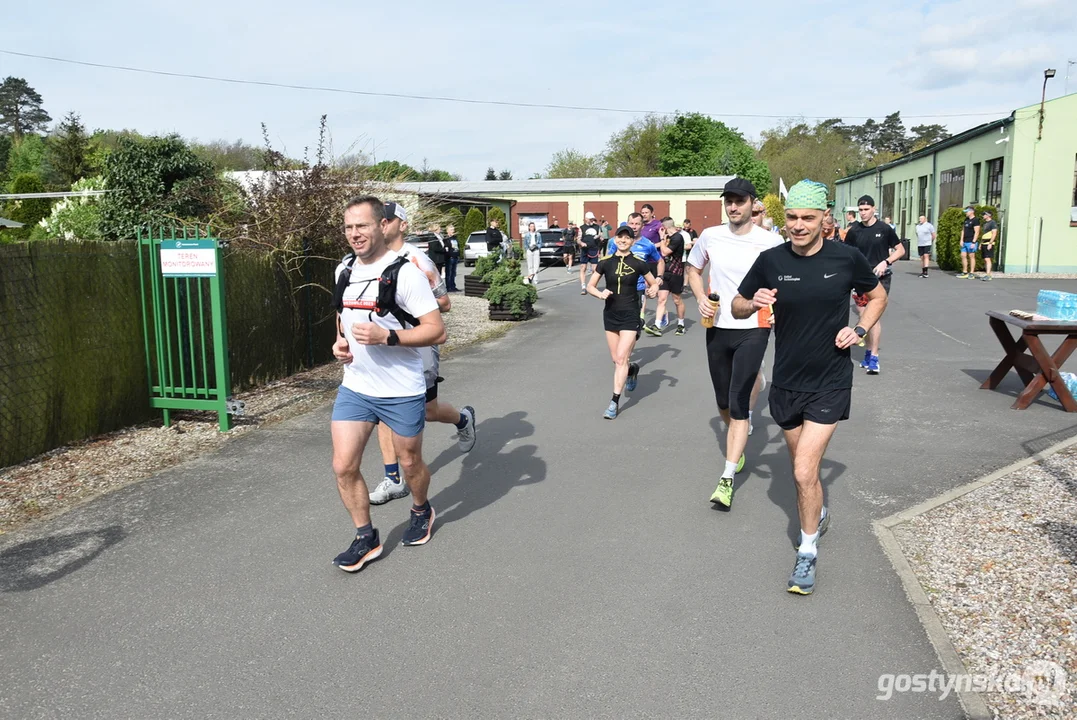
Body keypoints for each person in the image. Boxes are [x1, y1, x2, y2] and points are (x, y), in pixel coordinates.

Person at [732, 179, 887, 595]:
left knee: (803, 471)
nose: (798, 226)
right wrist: (754, 301)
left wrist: (859, 329)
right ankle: (815, 515)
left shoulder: (846, 257)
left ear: (824, 220)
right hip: (786, 382)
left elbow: (877, 296)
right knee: (805, 471)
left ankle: (807, 551)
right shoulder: (770, 259)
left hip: (830, 381)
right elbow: (737, 305)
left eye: (807, 218)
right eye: (792, 218)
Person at [330, 195, 447, 572]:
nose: (354, 234)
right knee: (343, 466)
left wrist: (388, 338)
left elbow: (437, 331)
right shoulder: (343, 270)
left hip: (401, 388)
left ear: (382, 226)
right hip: (357, 386)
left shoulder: (406, 272)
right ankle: (366, 537)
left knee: (410, 462)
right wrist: (341, 344)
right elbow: (342, 316)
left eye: (361, 226)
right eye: (348, 227)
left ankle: (421, 509)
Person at [368, 202, 477, 508]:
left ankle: (462, 419)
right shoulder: (370, 260)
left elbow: (444, 303)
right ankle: (393, 479)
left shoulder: (418, 260)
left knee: (428, 410)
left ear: (402, 225)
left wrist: (410, 303)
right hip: (384, 345)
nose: (382, 225)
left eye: (388, 220)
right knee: (382, 410)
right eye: (380, 220)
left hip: (418, 343)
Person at [686, 178, 781, 509]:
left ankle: (726, 477)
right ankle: (738, 430)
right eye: (728, 200)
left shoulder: (770, 241)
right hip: (718, 325)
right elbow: (693, 269)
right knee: (723, 400)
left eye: (740, 200)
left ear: (753, 204)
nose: (733, 206)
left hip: (755, 325)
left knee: (739, 402)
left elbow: (784, 278)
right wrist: (699, 298)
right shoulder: (711, 236)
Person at [587, 225, 660, 419]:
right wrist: (600, 294)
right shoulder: (605, 262)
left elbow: (653, 284)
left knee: (620, 359)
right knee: (617, 360)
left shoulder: (638, 263)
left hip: (631, 314)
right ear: (615, 239)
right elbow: (590, 285)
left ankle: (614, 402)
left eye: (627, 238)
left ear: (632, 241)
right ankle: (632, 369)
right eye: (620, 237)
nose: (623, 240)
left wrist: (652, 290)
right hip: (610, 314)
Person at [845, 194, 904, 375]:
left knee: (874, 316)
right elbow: (846, 253)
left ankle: (874, 358)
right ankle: (869, 351)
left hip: (880, 277)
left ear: (874, 209)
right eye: (860, 210)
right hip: (860, 278)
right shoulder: (854, 230)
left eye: (866, 209)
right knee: (864, 318)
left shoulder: (884, 229)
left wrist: (886, 262)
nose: (863, 213)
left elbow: (901, 250)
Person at [608, 213, 664, 324]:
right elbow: (607, 262)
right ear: (627, 224)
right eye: (631, 223)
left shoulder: (648, 244)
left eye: (637, 224)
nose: (634, 227)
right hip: (617, 288)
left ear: (642, 226)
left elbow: (660, 261)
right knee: (617, 322)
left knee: (631, 323)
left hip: (637, 288)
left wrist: (659, 277)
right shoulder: (617, 242)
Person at [645, 217, 687, 336]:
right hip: (665, 273)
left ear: (666, 227)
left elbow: (664, 252)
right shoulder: (668, 237)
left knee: (677, 300)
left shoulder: (678, 237)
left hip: (676, 272)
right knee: (661, 299)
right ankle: (657, 325)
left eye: (662, 228)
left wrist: (662, 237)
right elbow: (658, 247)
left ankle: (681, 324)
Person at [579, 211, 603, 295]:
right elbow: (578, 239)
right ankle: (583, 286)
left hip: (594, 249)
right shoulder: (582, 228)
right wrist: (581, 243)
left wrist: (600, 238)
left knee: (595, 269)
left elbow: (601, 236)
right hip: (585, 249)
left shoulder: (597, 227)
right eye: (590, 219)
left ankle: (592, 284)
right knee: (583, 267)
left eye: (592, 219)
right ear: (586, 219)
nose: (591, 220)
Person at [957, 206, 980, 279]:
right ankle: (965, 272)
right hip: (965, 241)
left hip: (971, 241)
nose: (966, 213)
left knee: (971, 256)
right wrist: (961, 240)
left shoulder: (975, 220)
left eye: (967, 211)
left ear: (972, 211)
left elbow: (977, 232)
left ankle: (972, 273)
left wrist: (973, 242)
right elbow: (963, 230)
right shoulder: (966, 220)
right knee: (963, 256)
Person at [980, 210, 997, 281]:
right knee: (985, 259)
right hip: (984, 243)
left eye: (984, 214)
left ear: (988, 215)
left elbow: (994, 233)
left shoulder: (992, 223)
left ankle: (988, 275)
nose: (983, 216)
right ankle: (987, 274)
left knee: (987, 259)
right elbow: (983, 235)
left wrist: (990, 243)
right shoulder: (985, 223)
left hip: (988, 243)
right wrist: (981, 243)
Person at [443, 223, 460, 292]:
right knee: (449, 273)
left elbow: (458, 246)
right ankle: (448, 287)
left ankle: (453, 286)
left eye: (453, 229)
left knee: (453, 273)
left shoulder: (455, 238)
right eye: (451, 229)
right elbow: (446, 248)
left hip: (455, 257)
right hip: (450, 258)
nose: (453, 231)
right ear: (448, 231)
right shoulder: (446, 239)